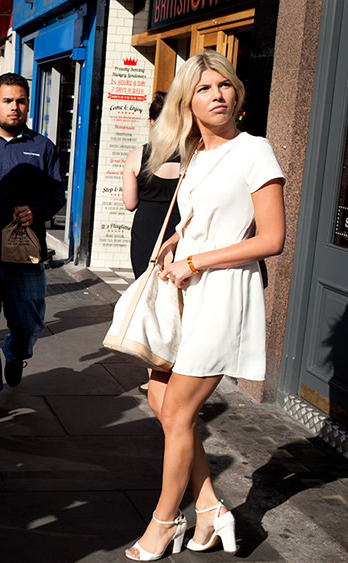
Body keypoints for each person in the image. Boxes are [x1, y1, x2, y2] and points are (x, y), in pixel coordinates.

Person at [124, 51, 285, 561]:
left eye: (225, 86)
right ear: (187, 103)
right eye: (204, 89)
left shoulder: (254, 150)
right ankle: (213, 507)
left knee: (177, 410)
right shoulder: (195, 155)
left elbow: (272, 239)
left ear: (237, 94)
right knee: (160, 400)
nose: (217, 96)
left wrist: (195, 261)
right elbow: (199, 217)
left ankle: (164, 522)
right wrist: (175, 240)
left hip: (222, 293)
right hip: (186, 294)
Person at [0, 73, 65, 428]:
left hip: (26, 252)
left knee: (29, 320)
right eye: (8, 101)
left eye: (21, 101)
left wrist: (36, 210)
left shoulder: (43, 146)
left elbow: (56, 195)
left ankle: (17, 352)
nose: (15, 107)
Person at [123, 92, 181, 278]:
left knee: (144, 289)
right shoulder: (191, 157)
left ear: (151, 122)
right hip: (179, 232)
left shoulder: (137, 155)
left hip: (146, 231)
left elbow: (130, 203)